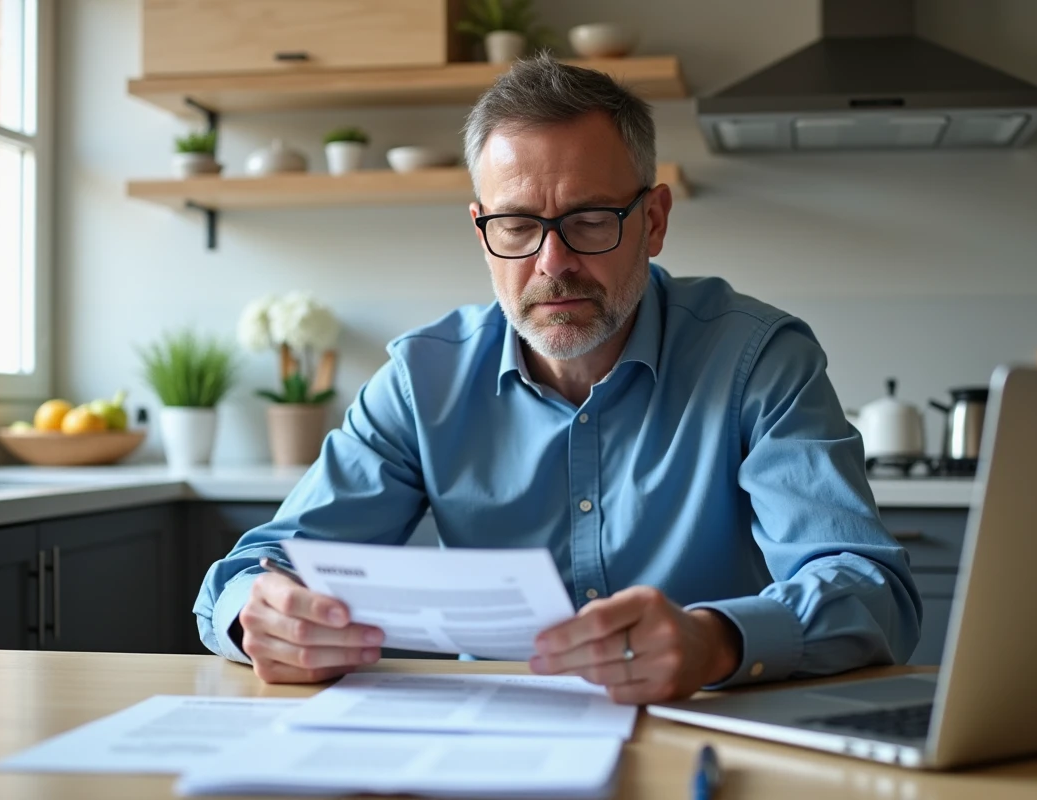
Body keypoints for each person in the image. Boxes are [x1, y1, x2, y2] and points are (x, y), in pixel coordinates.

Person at [194, 54, 921, 705]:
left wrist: (715, 641)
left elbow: (873, 592)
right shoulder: (423, 380)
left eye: (590, 219)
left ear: (654, 220)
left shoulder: (758, 360)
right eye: (517, 225)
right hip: (493, 742)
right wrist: (263, 614)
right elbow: (250, 571)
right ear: (482, 232)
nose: (553, 264)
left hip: (705, 728)